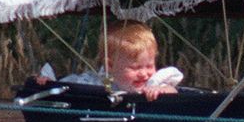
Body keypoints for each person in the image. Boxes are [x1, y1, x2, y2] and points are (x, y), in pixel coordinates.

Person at [36, 20, 182, 99]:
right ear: (110, 65)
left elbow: (173, 90)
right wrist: (47, 82)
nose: (144, 74)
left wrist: (160, 91)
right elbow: (66, 86)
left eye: (149, 66)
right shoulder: (97, 82)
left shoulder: (152, 82)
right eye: (135, 68)